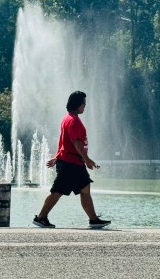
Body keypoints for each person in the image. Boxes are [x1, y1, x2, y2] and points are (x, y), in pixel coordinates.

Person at [32, 90, 111, 229]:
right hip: (70, 163)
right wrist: (87, 159)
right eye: (84, 103)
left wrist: (56, 157)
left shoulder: (68, 118)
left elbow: (63, 142)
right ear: (77, 104)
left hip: (73, 162)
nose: (85, 106)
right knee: (57, 191)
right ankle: (41, 217)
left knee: (85, 189)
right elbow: (76, 142)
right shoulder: (73, 120)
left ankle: (93, 219)